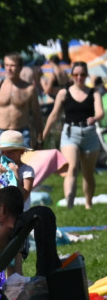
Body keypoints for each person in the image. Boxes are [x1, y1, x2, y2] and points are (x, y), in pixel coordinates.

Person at [41, 61, 104, 209]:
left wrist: (94, 118)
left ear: (86, 75)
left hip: (89, 134)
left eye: (82, 74)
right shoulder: (64, 93)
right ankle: (70, 204)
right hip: (70, 133)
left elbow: (100, 112)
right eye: (76, 74)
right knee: (72, 168)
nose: (79, 77)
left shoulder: (93, 92)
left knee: (88, 173)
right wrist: (43, 135)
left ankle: (88, 204)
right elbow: (54, 115)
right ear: (72, 76)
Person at [0, 53, 43, 148]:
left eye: (12, 66)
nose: (9, 69)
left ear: (20, 68)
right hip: (1, 133)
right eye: (6, 65)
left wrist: (39, 138)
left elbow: (37, 115)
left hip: (21, 133)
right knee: (0, 163)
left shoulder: (29, 89)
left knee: (22, 163)